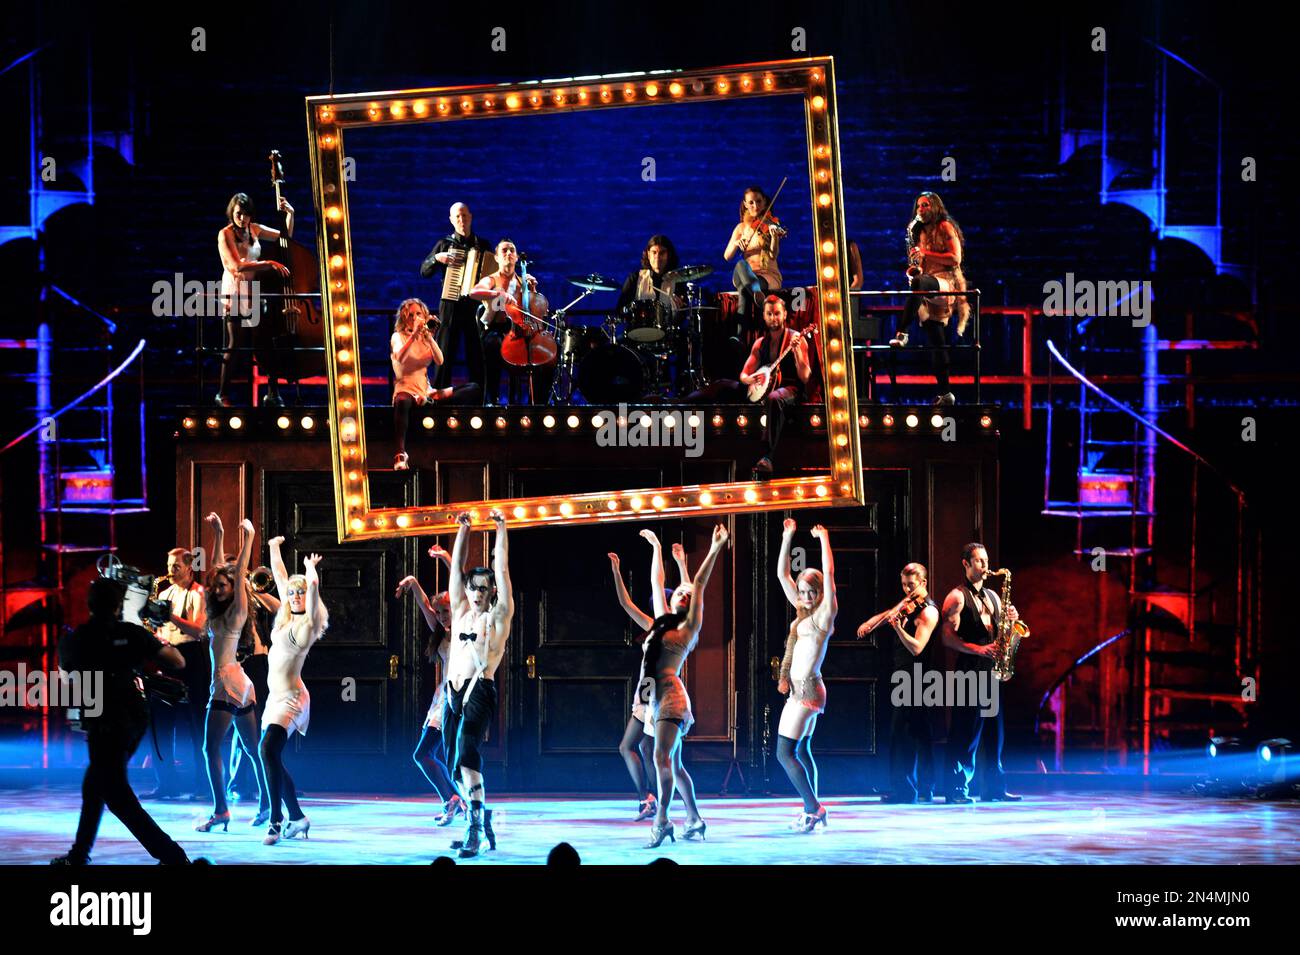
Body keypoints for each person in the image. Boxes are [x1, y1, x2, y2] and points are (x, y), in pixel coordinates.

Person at [51, 578, 195, 865]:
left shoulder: (76, 639)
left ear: (90, 604)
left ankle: (174, 857)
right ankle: (79, 855)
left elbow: (65, 676)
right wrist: (152, 641)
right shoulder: (132, 634)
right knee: (96, 785)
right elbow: (178, 661)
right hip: (132, 720)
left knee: (114, 794)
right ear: (119, 606)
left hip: (101, 721)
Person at [643, 524, 729, 849]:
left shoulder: (690, 626)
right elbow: (658, 582)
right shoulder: (663, 620)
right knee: (674, 766)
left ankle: (662, 820)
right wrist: (656, 548)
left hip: (671, 699)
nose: (680, 593)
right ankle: (694, 818)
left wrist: (716, 546)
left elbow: (699, 583)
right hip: (659, 698)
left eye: (686, 595)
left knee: (661, 758)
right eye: (677, 592)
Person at [444, 509, 515, 858]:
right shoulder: (460, 612)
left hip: (479, 691)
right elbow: (456, 570)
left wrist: (500, 528)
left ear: (491, 593)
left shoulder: (498, 617)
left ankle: (474, 831)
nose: (475, 594)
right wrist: (464, 529)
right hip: (452, 693)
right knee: (452, 763)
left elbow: (500, 568)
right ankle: (481, 819)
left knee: (468, 756)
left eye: (482, 590)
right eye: (473, 588)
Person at [608, 539, 692, 822]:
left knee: (665, 760)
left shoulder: (684, 629)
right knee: (635, 747)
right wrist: (617, 571)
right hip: (647, 692)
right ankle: (650, 800)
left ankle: (660, 807)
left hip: (666, 694)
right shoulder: (655, 625)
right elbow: (625, 603)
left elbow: (687, 592)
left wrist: (677, 562)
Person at [195, 513, 270, 832]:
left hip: (227, 682)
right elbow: (217, 571)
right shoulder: (218, 609)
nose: (216, 587)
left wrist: (249, 537)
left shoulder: (238, 611)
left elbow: (237, 574)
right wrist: (219, 533)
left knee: (210, 748)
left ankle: (221, 810)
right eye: (215, 585)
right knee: (253, 750)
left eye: (223, 585)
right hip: (238, 680)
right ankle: (268, 802)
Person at [257, 537, 329, 845]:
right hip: (274, 698)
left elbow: (311, 599)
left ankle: (276, 820)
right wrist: (274, 547)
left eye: (300, 593)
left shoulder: (307, 624)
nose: (296, 596)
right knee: (271, 756)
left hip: (292, 698)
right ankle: (298, 818)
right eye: (292, 593)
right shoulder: (285, 616)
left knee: (267, 750)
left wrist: (310, 574)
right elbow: (280, 577)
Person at [941, 543, 1022, 803]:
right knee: (965, 732)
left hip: (992, 673)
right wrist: (978, 649)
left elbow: (1001, 633)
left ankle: (994, 789)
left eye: (986, 560)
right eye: (978, 561)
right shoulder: (957, 597)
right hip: (969, 672)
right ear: (966, 564)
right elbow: (947, 638)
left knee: (994, 734)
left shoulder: (993, 597)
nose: (985, 566)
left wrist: (1011, 619)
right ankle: (956, 790)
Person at [774, 520, 837, 832]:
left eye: (812, 591)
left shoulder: (824, 615)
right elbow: (782, 575)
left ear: (820, 592)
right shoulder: (801, 613)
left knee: (784, 753)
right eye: (802, 591)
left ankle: (813, 808)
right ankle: (813, 807)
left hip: (807, 692)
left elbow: (831, 576)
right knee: (801, 750)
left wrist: (824, 539)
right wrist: (788, 537)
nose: (806, 596)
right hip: (803, 691)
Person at [858, 563, 940, 803]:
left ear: (923, 583)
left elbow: (917, 648)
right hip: (907, 676)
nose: (906, 590)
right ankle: (925, 789)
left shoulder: (929, 612)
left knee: (902, 735)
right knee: (918, 733)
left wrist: (898, 630)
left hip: (915, 678)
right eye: (904, 584)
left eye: (911, 585)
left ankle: (905, 791)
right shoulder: (908, 604)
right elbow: (889, 613)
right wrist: (870, 624)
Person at [397, 542, 465, 828]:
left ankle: (455, 800)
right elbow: (425, 606)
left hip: (458, 697)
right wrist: (412, 583)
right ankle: (453, 800)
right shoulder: (441, 632)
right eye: (441, 613)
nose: (442, 616)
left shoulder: (464, 627)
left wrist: (447, 558)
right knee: (426, 754)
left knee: (426, 754)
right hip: (442, 698)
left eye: (447, 611)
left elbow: (460, 588)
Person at [214, 192, 294, 408]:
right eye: (239, 214)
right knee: (234, 344)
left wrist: (290, 213)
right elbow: (236, 266)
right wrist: (267, 263)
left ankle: (273, 392)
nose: (242, 219)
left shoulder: (255, 229)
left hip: (254, 290)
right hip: (234, 290)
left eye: (246, 215)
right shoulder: (225, 234)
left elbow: (285, 237)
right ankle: (222, 394)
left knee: (264, 342)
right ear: (232, 212)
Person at [141, 547, 208, 800]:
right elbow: (160, 629)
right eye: (169, 565)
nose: (170, 571)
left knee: (196, 725)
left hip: (191, 658)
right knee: (160, 723)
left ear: (189, 567)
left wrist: (171, 617)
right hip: (167, 657)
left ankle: (203, 784)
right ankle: (167, 783)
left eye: (176, 566)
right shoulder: (165, 592)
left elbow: (199, 631)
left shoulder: (199, 593)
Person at [890, 192, 969, 406]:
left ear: (934, 207)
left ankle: (903, 332)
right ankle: (946, 394)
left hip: (946, 284)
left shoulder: (945, 226)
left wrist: (924, 253)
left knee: (919, 284)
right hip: (928, 289)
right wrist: (917, 263)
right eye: (918, 206)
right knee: (937, 343)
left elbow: (955, 258)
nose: (920, 210)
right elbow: (921, 265)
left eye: (925, 205)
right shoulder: (920, 231)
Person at [419, 202, 494, 397]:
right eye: (457, 217)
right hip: (450, 306)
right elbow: (424, 271)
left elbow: (494, 274)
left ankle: (480, 400)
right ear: (451, 220)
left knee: (476, 355)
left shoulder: (483, 245)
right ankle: (437, 400)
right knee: (444, 354)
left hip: (474, 306)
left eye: (464, 216)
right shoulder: (445, 244)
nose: (462, 220)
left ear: (471, 217)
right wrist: (437, 258)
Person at [469, 238, 551, 406]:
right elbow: (474, 292)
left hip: (520, 332)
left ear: (516, 257)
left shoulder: (522, 282)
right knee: (492, 344)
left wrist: (532, 291)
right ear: (497, 257)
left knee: (545, 353)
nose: (509, 253)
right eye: (504, 250)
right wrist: (498, 295)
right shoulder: (491, 279)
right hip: (496, 329)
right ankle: (492, 399)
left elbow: (534, 312)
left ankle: (537, 402)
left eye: (512, 250)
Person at [724, 186, 785, 333]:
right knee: (740, 264)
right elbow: (727, 256)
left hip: (766, 275)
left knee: (744, 290)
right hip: (746, 274)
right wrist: (737, 243)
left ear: (764, 202)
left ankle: (739, 336)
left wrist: (775, 236)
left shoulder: (771, 224)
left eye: (758, 201)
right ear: (745, 204)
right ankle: (756, 292)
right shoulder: (740, 228)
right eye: (751, 202)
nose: (755, 206)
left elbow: (773, 255)